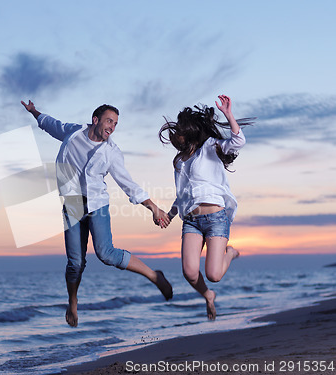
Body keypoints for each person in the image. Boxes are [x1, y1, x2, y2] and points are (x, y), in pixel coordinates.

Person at [21, 100, 173, 327]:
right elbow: (51, 124)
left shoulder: (111, 152)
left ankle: (154, 276)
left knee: (106, 253)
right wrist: (34, 112)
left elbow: (127, 183)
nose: (112, 127)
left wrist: (153, 207)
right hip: (72, 203)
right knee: (75, 262)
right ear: (96, 120)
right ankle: (72, 301)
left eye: (116, 124)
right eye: (109, 121)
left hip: (96, 204)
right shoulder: (73, 133)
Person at [159, 95, 253, 320]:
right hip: (191, 220)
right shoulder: (180, 160)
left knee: (214, 274)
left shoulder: (210, 147)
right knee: (190, 273)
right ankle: (208, 295)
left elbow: (238, 142)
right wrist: (170, 215)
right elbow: (182, 196)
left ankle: (229, 253)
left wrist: (229, 115)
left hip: (215, 218)